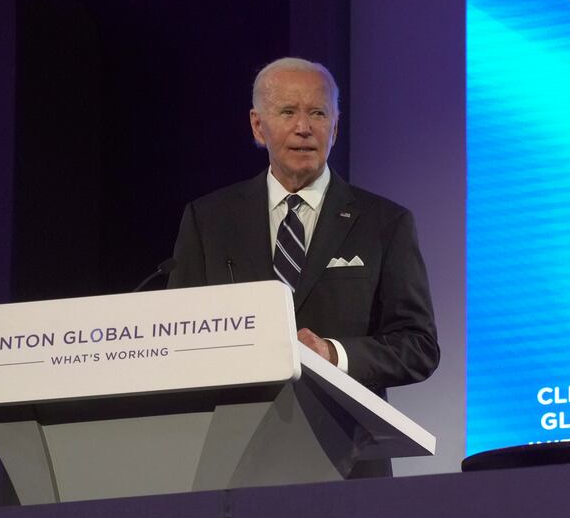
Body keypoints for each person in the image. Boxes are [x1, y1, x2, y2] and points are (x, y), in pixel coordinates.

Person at [169, 57, 439, 395]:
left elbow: (418, 347)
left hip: (344, 437)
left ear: (335, 128)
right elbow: (180, 338)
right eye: (287, 112)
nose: (303, 128)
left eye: (318, 113)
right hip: (235, 435)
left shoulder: (385, 223)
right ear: (257, 126)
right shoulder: (208, 220)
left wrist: (332, 353)